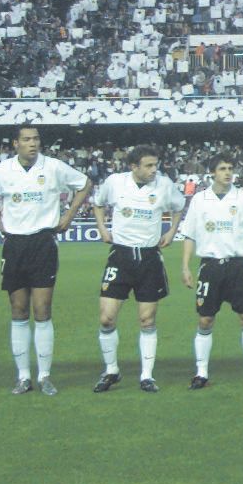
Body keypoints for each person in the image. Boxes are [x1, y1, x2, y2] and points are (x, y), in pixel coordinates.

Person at [0, 124, 92, 395]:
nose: (33, 143)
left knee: (42, 310)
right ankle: (23, 376)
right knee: (18, 309)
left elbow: (85, 184)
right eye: (27, 139)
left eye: (36, 139)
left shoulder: (53, 167)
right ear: (16, 144)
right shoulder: (2, 171)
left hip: (43, 242)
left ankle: (44, 376)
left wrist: (68, 216)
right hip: (14, 244)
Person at [90, 146, 185, 393]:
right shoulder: (115, 183)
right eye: (149, 166)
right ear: (134, 167)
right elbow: (98, 204)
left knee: (146, 319)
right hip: (120, 256)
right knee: (106, 318)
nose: (155, 170)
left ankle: (146, 375)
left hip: (149, 257)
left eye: (156, 165)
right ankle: (111, 370)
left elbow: (178, 206)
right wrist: (102, 228)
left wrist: (172, 231)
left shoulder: (164, 185)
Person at [179, 153, 243, 388]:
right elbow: (189, 234)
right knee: (206, 319)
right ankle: (201, 373)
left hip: (238, 266)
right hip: (210, 267)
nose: (227, 172)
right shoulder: (200, 200)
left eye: (230, 168)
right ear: (212, 173)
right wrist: (185, 266)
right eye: (222, 169)